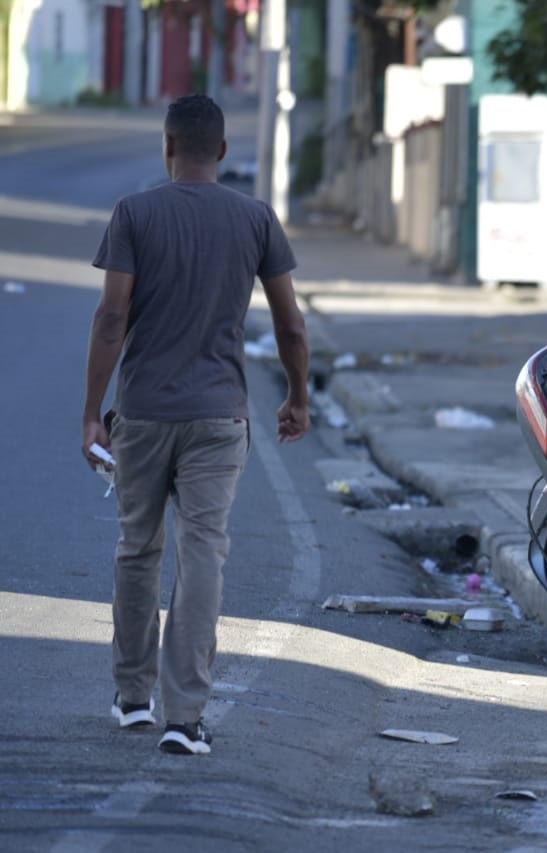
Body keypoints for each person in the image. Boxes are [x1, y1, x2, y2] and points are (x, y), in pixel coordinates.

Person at [81, 94, 311, 755]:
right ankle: (185, 715)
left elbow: (110, 318)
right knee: (202, 551)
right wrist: (297, 397)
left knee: (137, 547)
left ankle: (132, 697)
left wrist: (91, 413)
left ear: (168, 147)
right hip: (218, 415)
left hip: (145, 413)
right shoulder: (255, 218)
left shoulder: (134, 213)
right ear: (223, 154)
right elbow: (291, 323)